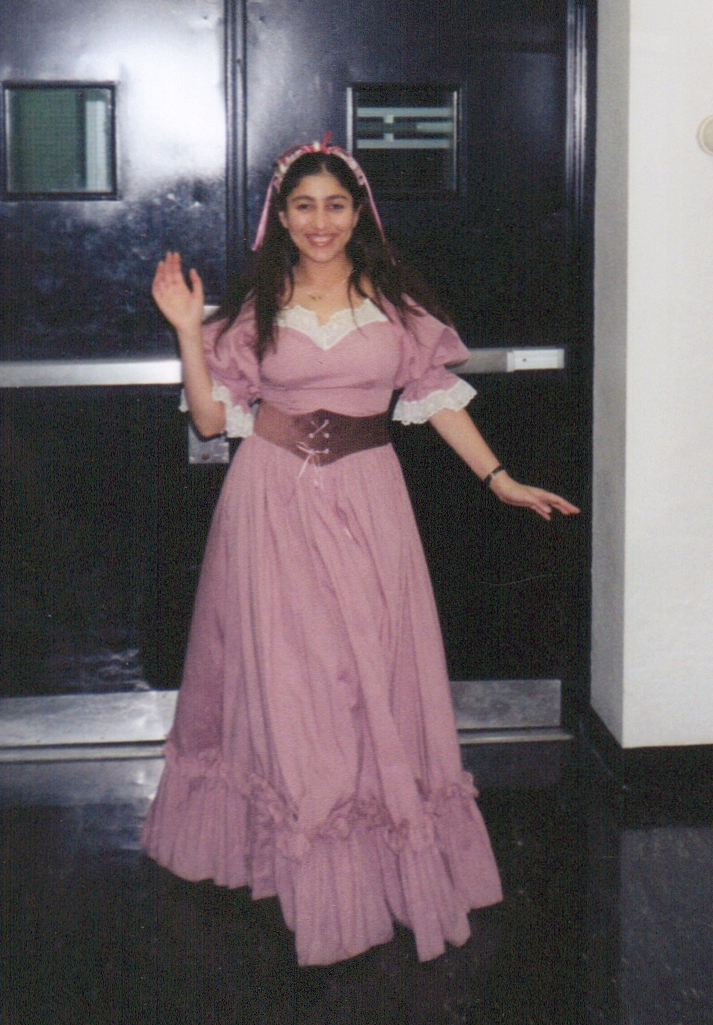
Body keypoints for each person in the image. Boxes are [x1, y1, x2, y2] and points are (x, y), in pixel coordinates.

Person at [141, 135, 579, 967]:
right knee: (294, 686)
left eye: (334, 205)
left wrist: (499, 478)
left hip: (369, 503)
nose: (320, 221)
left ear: (358, 212)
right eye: (303, 205)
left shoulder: (394, 305)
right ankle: (316, 875)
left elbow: (436, 399)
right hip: (271, 504)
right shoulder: (256, 309)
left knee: (371, 677)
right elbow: (209, 420)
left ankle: (376, 861)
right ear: (280, 216)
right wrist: (188, 333)